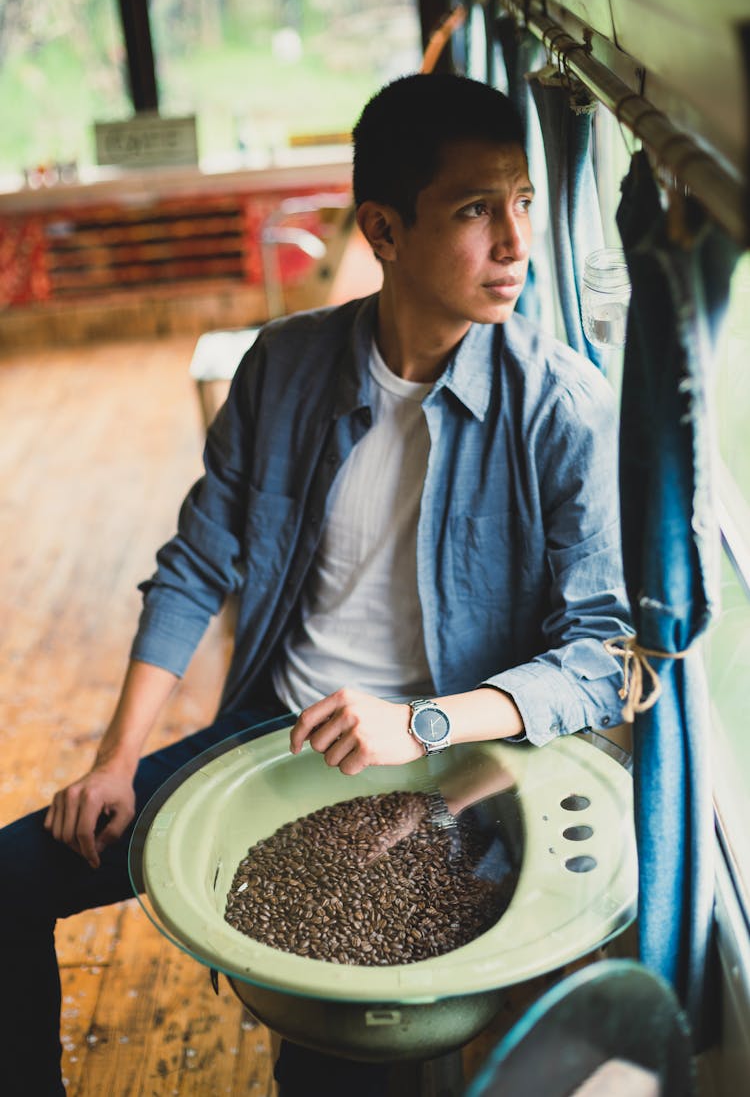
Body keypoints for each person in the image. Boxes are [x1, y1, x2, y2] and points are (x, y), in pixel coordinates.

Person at [0, 72, 631, 1097]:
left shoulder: (560, 407)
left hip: (452, 772)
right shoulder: (282, 368)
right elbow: (199, 563)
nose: (516, 242)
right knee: (8, 884)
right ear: (383, 228)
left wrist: (420, 727)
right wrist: (115, 761)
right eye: (476, 210)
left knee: (348, 1055)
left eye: (522, 202)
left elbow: (598, 660)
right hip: (265, 737)